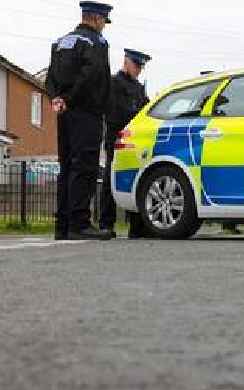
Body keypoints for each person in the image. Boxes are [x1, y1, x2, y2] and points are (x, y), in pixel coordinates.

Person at [46, 1, 113, 241]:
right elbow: (92, 75)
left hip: (64, 113)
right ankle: (79, 223)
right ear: (96, 18)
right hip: (86, 112)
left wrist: (57, 98)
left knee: (66, 166)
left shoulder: (61, 41)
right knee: (84, 165)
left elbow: (50, 75)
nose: (104, 26)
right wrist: (70, 98)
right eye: (104, 21)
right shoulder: (96, 42)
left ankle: (62, 226)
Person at [100, 48, 152, 239]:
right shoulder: (114, 83)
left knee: (135, 178)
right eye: (136, 65)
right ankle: (106, 223)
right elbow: (115, 113)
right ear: (126, 62)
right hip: (117, 137)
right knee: (110, 180)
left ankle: (137, 226)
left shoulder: (138, 88)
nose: (139, 70)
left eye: (141, 67)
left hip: (135, 139)